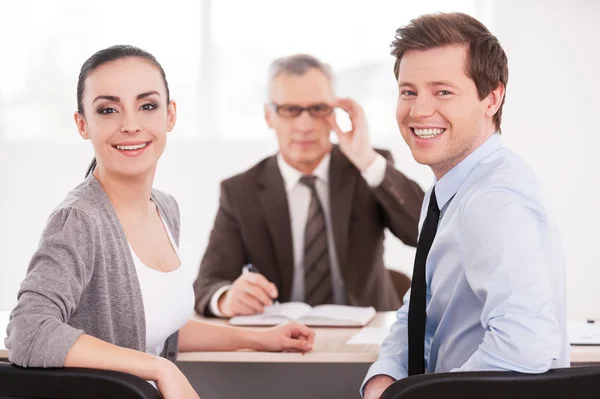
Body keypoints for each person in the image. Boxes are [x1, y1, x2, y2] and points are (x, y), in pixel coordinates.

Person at [5, 45, 314, 399]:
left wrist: (259, 338)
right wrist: (158, 367)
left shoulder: (165, 208)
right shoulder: (79, 220)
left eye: (147, 106)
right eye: (108, 110)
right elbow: (28, 331)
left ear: (170, 115)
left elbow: (158, 327)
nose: (131, 125)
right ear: (82, 124)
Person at [362, 12, 569, 399]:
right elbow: (420, 310)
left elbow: (524, 345)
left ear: (492, 97)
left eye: (443, 91)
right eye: (408, 91)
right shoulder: (449, 190)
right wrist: (385, 377)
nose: (419, 110)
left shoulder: (495, 198)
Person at [193, 54, 425, 318]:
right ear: (269, 115)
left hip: (366, 336)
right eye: (290, 110)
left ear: (334, 112)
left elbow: (424, 232)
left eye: (317, 109)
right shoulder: (240, 192)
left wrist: (366, 160)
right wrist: (226, 299)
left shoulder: (367, 169)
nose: (305, 126)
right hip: (283, 342)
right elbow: (207, 283)